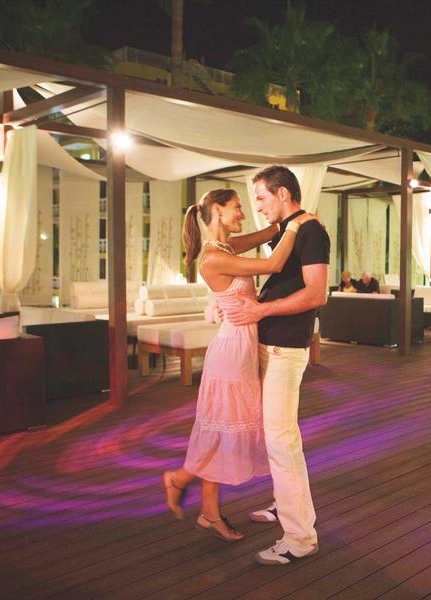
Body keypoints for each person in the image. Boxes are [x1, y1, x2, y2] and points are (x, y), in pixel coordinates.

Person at [161, 189, 317, 542]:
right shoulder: (214, 258)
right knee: (222, 432)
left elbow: (269, 234)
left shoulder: (228, 247)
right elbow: (273, 264)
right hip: (231, 351)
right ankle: (181, 481)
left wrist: (291, 218)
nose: (243, 214)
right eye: (237, 208)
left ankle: (207, 510)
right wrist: (300, 225)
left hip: (244, 345)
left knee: (221, 433)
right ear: (217, 210)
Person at [224, 165, 329, 566]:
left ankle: (300, 537)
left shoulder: (311, 231)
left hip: (286, 349)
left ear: (283, 193)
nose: (258, 208)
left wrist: (260, 309)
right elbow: (232, 246)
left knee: (282, 442)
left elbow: (316, 293)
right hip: (270, 345)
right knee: (275, 438)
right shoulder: (289, 228)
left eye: (262, 199)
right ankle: (284, 505)